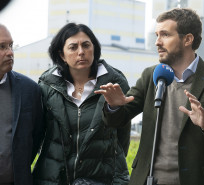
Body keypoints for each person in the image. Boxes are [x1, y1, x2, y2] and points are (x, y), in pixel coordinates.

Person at [95, 8, 204, 185]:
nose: (157, 42)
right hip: (146, 179)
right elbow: (116, 121)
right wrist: (114, 107)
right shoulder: (150, 76)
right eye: (156, 35)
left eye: (165, 35)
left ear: (188, 39)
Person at [32, 23, 131, 185]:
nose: (81, 52)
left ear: (95, 49)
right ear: (62, 54)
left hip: (103, 178)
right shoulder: (46, 86)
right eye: (73, 47)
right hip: (54, 178)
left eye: (86, 45)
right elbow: (38, 134)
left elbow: (123, 136)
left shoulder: (115, 83)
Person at [0, 24, 44, 185]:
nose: (10, 52)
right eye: (2, 47)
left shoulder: (30, 90)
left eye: (10, 45)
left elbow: (37, 136)